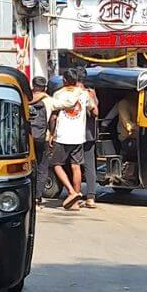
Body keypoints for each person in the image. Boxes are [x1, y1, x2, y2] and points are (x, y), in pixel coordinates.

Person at [47, 68, 94, 209]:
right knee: (76, 166)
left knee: (56, 164)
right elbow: (93, 109)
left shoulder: (58, 94)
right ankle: (76, 199)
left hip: (62, 136)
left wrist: (51, 133)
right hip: (79, 136)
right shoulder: (84, 94)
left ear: (64, 80)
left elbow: (54, 116)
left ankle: (72, 192)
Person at [29, 76, 51, 203]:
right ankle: (37, 196)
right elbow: (53, 119)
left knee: (30, 165)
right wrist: (52, 134)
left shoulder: (26, 99)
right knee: (42, 166)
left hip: (28, 136)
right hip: (44, 137)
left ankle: (29, 194)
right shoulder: (49, 100)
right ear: (45, 88)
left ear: (32, 86)